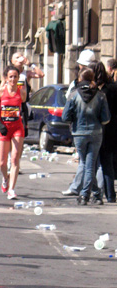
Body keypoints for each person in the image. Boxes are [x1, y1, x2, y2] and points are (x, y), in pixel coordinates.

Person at [62, 67, 110, 205]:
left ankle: (84, 195)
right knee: (90, 164)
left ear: (80, 78)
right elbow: (106, 118)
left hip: (79, 133)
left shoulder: (74, 94)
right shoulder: (100, 95)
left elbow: (65, 116)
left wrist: (74, 119)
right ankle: (96, 194)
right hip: (96, 133)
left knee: (86, 164)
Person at [62, 49, 97, 196]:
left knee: (85, 162)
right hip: (97, 131)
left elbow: (66, 113)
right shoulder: (99, 91)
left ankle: (83, 190)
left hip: (79, 130)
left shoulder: (75, 89)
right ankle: (97, 190)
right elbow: (106, 115)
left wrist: (71, 121)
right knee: (92, 162)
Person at [0, 65, 27, 200]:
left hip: (17, 127)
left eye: (15, 77)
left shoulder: (22, 92)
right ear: (6, 78)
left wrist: (26, 125)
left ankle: (11, 189)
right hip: (4, 128)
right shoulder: (1, 91)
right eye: (10, 77)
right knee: (2, 162)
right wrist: (0, 124)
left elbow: (24, 109)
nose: (13, 79)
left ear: (18, 78)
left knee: (15, 159)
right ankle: (5, 178)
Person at [90, 61, 117, 203]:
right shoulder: (112, 88)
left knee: (92, 163)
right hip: (112, 130)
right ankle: (110, 195)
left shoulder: (94, 91)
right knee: (107, 163)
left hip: (98, 129)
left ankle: (92, 192)